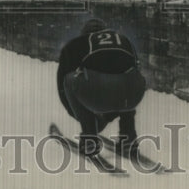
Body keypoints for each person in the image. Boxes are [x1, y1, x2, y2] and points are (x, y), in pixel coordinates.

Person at [57, 19, 146, 156]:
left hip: (98, 91)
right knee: (127, 79)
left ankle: (89, 139)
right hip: (132, 92)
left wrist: (84, 118)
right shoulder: (124, 40)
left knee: (68, 80)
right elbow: (133, 73)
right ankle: (128, 138)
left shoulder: (78, 43)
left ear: (85, 33)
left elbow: (62, 85)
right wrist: (109, 115)